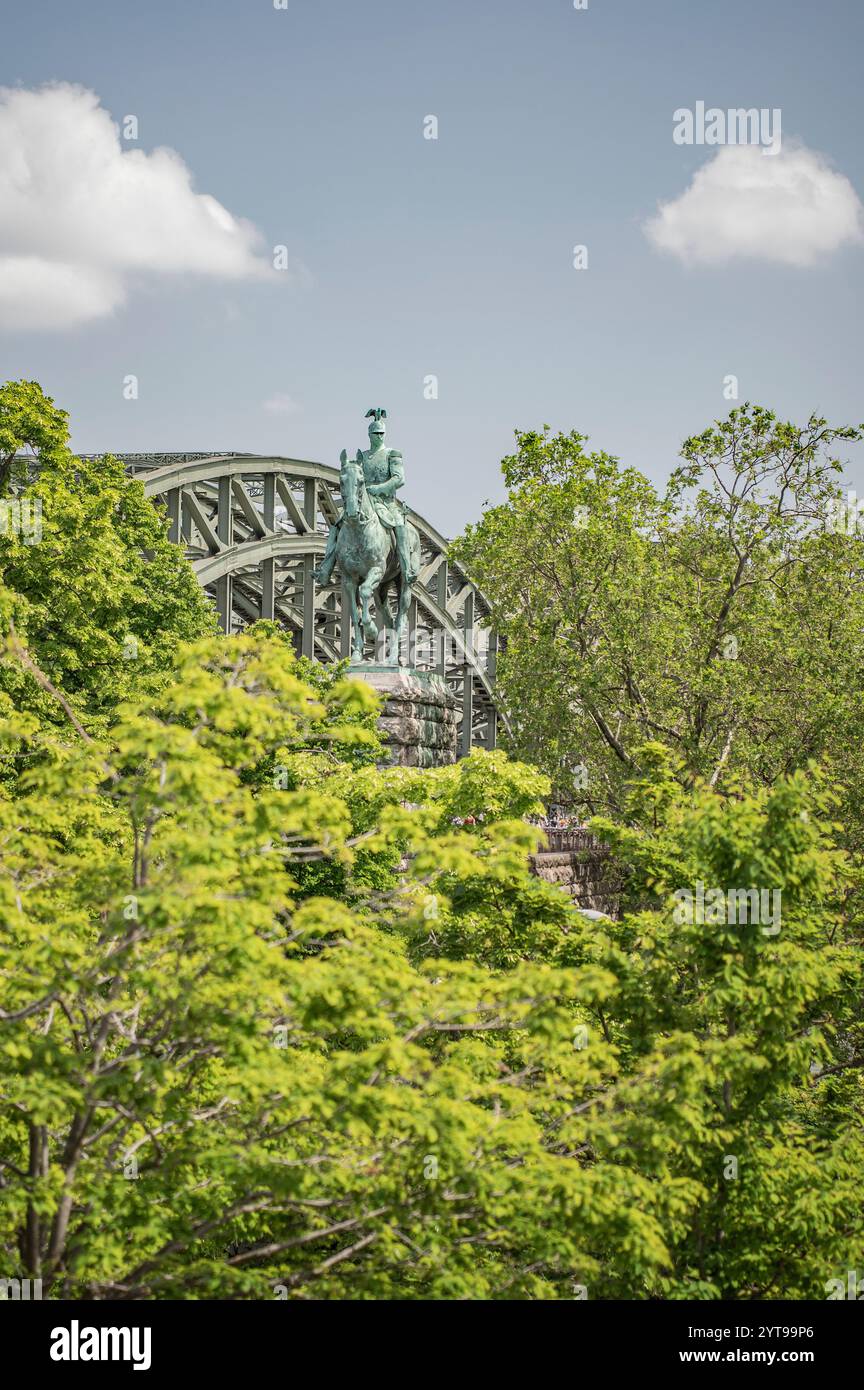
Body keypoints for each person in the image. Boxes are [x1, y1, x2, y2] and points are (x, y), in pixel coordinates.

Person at [313, 408, 414, 588]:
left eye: (381, 433)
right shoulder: (363, 456)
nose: (379, 436)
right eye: (375, 433)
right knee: (336, 526)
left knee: (400, 526)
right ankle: (325, 568)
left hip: (386, 502)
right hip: (363, 502)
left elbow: (399, 479)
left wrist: (379, 488)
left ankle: (407, 569)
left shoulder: (393, 454)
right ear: (369, 435)